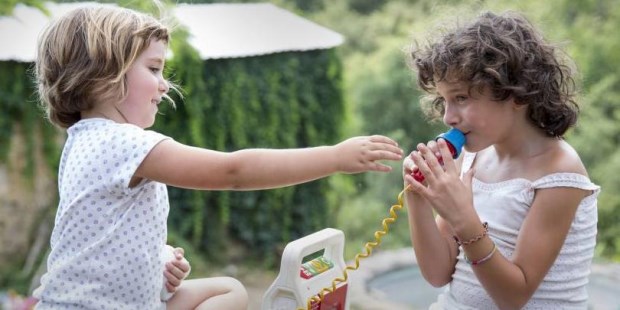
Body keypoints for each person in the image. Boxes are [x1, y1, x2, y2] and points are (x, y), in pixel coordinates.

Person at [32, 5, 403, 310]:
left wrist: (157, 256)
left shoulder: (85, 142)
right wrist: (334, 157)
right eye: (154, 68)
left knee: (230, 292)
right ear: (102, 74)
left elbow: (98, 233)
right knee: (230, 294)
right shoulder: (118, 142)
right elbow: (233, 171)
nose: (164, 84)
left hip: (113, 301)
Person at [402, 11, 600, 309]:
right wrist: (417, 198)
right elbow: (437, 273)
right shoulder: (472, 158)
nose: (447, 117)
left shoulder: (559, 172)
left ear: (515, 93)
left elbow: (513, 296)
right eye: (444, 101)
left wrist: (463, 219)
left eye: (462, 98)